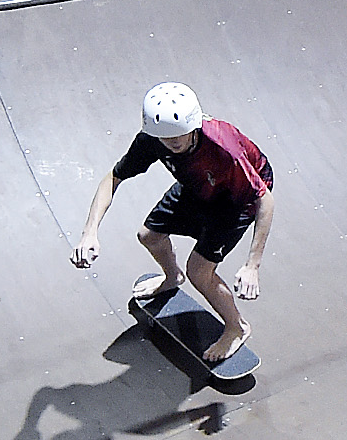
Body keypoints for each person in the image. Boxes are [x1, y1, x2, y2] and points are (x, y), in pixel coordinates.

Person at [67, 82, 274, 365]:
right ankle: (172, 277)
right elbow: (112, 178)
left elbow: (265, 200)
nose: (173, 143)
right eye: (166, 138)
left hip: (235, 199)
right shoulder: (152, 139)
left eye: (180, 135)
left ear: (194, 124)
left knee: (200, 271)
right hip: (198, 185)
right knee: (149, 235)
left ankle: (237, 327)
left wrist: (252, 265)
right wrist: (89, 233)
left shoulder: (223, 148)